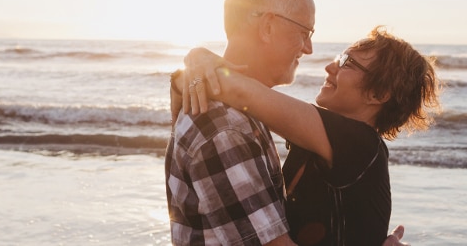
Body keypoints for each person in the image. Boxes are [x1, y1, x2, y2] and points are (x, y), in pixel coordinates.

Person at [179, 26, 441, 245]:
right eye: (340, 58)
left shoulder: (359, 144)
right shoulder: (333, 144)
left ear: (379, 95)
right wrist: (191, 69)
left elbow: (241, 93)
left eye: (347, 64)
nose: (330, 67)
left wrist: (198, 60)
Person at [165, 0, 314, 245]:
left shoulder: (242, 112)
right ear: (268, 27)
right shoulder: (224, 126)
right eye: (305, 32)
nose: (308, 49)